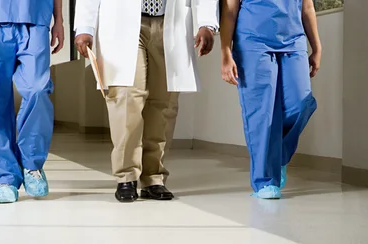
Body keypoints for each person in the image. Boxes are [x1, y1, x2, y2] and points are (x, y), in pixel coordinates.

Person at [74, 0, 219, 203]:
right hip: (120, 20)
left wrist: (207, 23)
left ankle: (153, 177)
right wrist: (84, 27)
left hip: (171, 20)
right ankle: (126, 176)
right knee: (126, 98)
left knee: (163, 103)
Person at [221, 0, 321, 199]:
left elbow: (307, 7)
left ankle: (279, 157)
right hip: (252, 41)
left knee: (301, 102)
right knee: (261, 114)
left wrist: (317, 47)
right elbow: (230, 10)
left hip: (294, 41)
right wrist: (225, 52)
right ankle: (265, 181)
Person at [0, 0, 64, 204]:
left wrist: (59, 20)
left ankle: (32, 163)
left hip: (36, 18)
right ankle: (4, 176)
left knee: (38, 89)